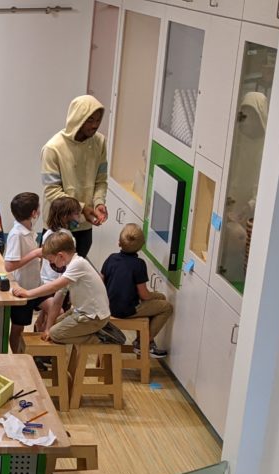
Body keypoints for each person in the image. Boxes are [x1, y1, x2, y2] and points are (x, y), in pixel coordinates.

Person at [12, 231, 111, 346]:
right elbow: (57, 301)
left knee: (55, 334)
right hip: (83, 312)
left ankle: (101, 340)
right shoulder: (69, 267)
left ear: (60, 256)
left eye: (51, 261)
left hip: (94, 317)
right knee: (55, 326)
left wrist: (28, 293)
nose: (51, 264)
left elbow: (54, 287)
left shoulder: (78, 264)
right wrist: (47, 328)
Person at [41, 95, 109, 257]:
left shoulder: (99, 142)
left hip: (84, 225)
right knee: (53, 273)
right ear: (77, 118)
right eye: (89, 120)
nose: (95, 125)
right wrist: (82, 207)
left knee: (77, 273)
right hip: (58, 224)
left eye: (98, 120)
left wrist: (99, 202)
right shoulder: (53, 148)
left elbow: (101, 180)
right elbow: (52, 191)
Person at [101, 224, 172, 358]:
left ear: (119, 242)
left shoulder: (111, 258)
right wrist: (156, 295)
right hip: (126, 310)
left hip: (108, 306)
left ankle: (146, 342)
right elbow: (144, 295)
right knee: (165, 306)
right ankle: (144, 343)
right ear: (141, 246)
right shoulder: (139, 264)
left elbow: (101, 282)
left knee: (156, 303)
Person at [3, 192, 44, 354]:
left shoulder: (29, 229)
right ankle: (17, 355)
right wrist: (34, 254)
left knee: (55, 309)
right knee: (18, 328)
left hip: (35, 285)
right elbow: (8, 265)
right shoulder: (17, 234)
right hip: (22, 287)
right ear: (34, 213)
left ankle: (40, 349)